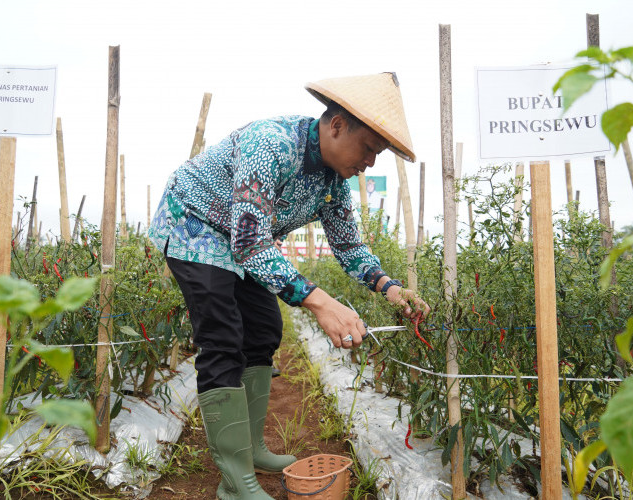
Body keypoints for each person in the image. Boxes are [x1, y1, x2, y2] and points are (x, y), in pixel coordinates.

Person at [149, 73, 431, 500]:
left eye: (378, 154)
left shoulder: (333, 182)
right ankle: (235, 481)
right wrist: (320, 303)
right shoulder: (272, 144)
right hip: (196, 226)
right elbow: (248, 241)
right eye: (369, 149)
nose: (371, 162)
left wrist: (390, 288)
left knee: (263, 331)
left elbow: (349, 246)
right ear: (336, 126)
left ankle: (253, 449)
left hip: (241, 242)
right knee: (223, 339)